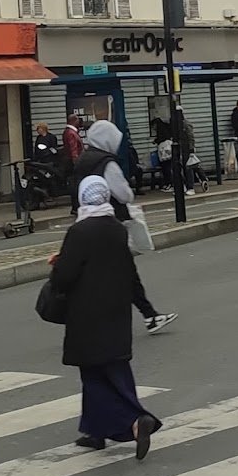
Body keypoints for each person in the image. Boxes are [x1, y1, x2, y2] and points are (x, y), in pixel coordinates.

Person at [50, 176, 162, 459]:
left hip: (87, 314)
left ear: (82, 198)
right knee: (115, 370)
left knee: (93, 374)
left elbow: (65, 278)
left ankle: (135, 420)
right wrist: (145, 308)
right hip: (116, 311)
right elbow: (128, 270)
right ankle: (95, 431)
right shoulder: (116, 229)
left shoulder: (79, 231)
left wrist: (57, 263)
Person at [74, 111, 177, 335]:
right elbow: (123, 194)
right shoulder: (106, 163)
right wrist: (129, 193)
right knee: (125, 271)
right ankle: (148, 316)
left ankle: (147, 315)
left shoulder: (83, 159)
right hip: (111, 222)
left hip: (86, 222)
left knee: (105, 271)